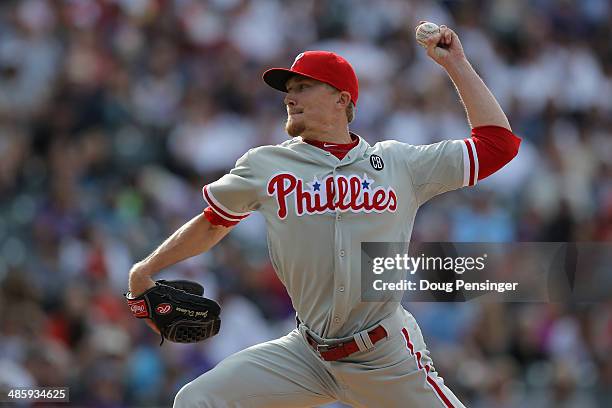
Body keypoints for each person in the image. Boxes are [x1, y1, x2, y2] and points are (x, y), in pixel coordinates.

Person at [128, 24, 521, 407]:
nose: (290, 97)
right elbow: (213, 223)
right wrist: (145, 269)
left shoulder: (400, 164)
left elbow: (497, 145)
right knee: (197, 399)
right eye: (288, 90)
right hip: (307, 355)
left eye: (303, 87)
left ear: (341, 98)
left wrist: (456, 64)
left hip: (384, 357)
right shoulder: (267, 164)